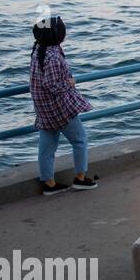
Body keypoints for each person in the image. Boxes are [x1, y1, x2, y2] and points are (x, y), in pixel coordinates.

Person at [29, 16, 96, 195]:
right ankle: (80, 179)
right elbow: (52, 85)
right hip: (58, 108)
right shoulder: (52, 56)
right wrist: (70, 83)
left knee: (47, 147)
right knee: (80, 140)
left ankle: (49, 184)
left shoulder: (38, 50)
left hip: (43, 108)